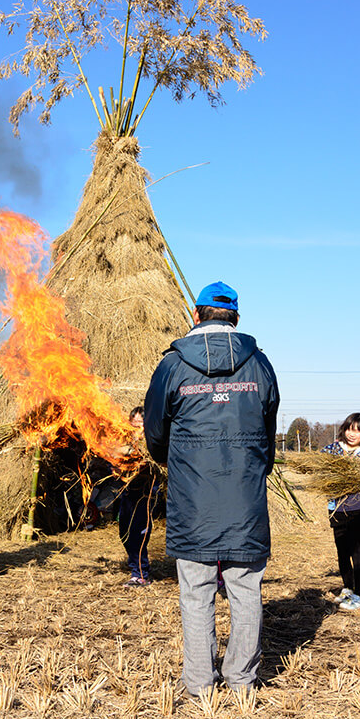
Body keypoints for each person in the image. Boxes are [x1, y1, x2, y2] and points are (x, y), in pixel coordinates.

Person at [144, 281, 279, 696]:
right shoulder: (260, 364)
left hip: (193, 498)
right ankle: (241, 681)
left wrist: (180, 462)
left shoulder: (172, 365)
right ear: (236, 318)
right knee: (246, 590)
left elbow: (154, 431)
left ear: (196, 314)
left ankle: (200, 685)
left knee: (197, 593)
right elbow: (267, 432)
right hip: (244, 498)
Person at [321, 413, 360, 611]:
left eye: (358, 430)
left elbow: (353, 470)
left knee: (357, 552)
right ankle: (347, 588)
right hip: (336, 507)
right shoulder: (335, 447)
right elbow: (320, 457)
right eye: (349, 429)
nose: (352, 434)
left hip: (358, 508)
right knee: (341, 551)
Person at [118, 406, 159, 588]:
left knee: (139, 533)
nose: (137, 427)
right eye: (134, 423)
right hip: (128, 492)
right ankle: (134, 564)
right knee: (124, 533)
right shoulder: (127, 440)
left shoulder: (151, 442)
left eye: (140, 423)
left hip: (145, 493)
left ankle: (141, 574)